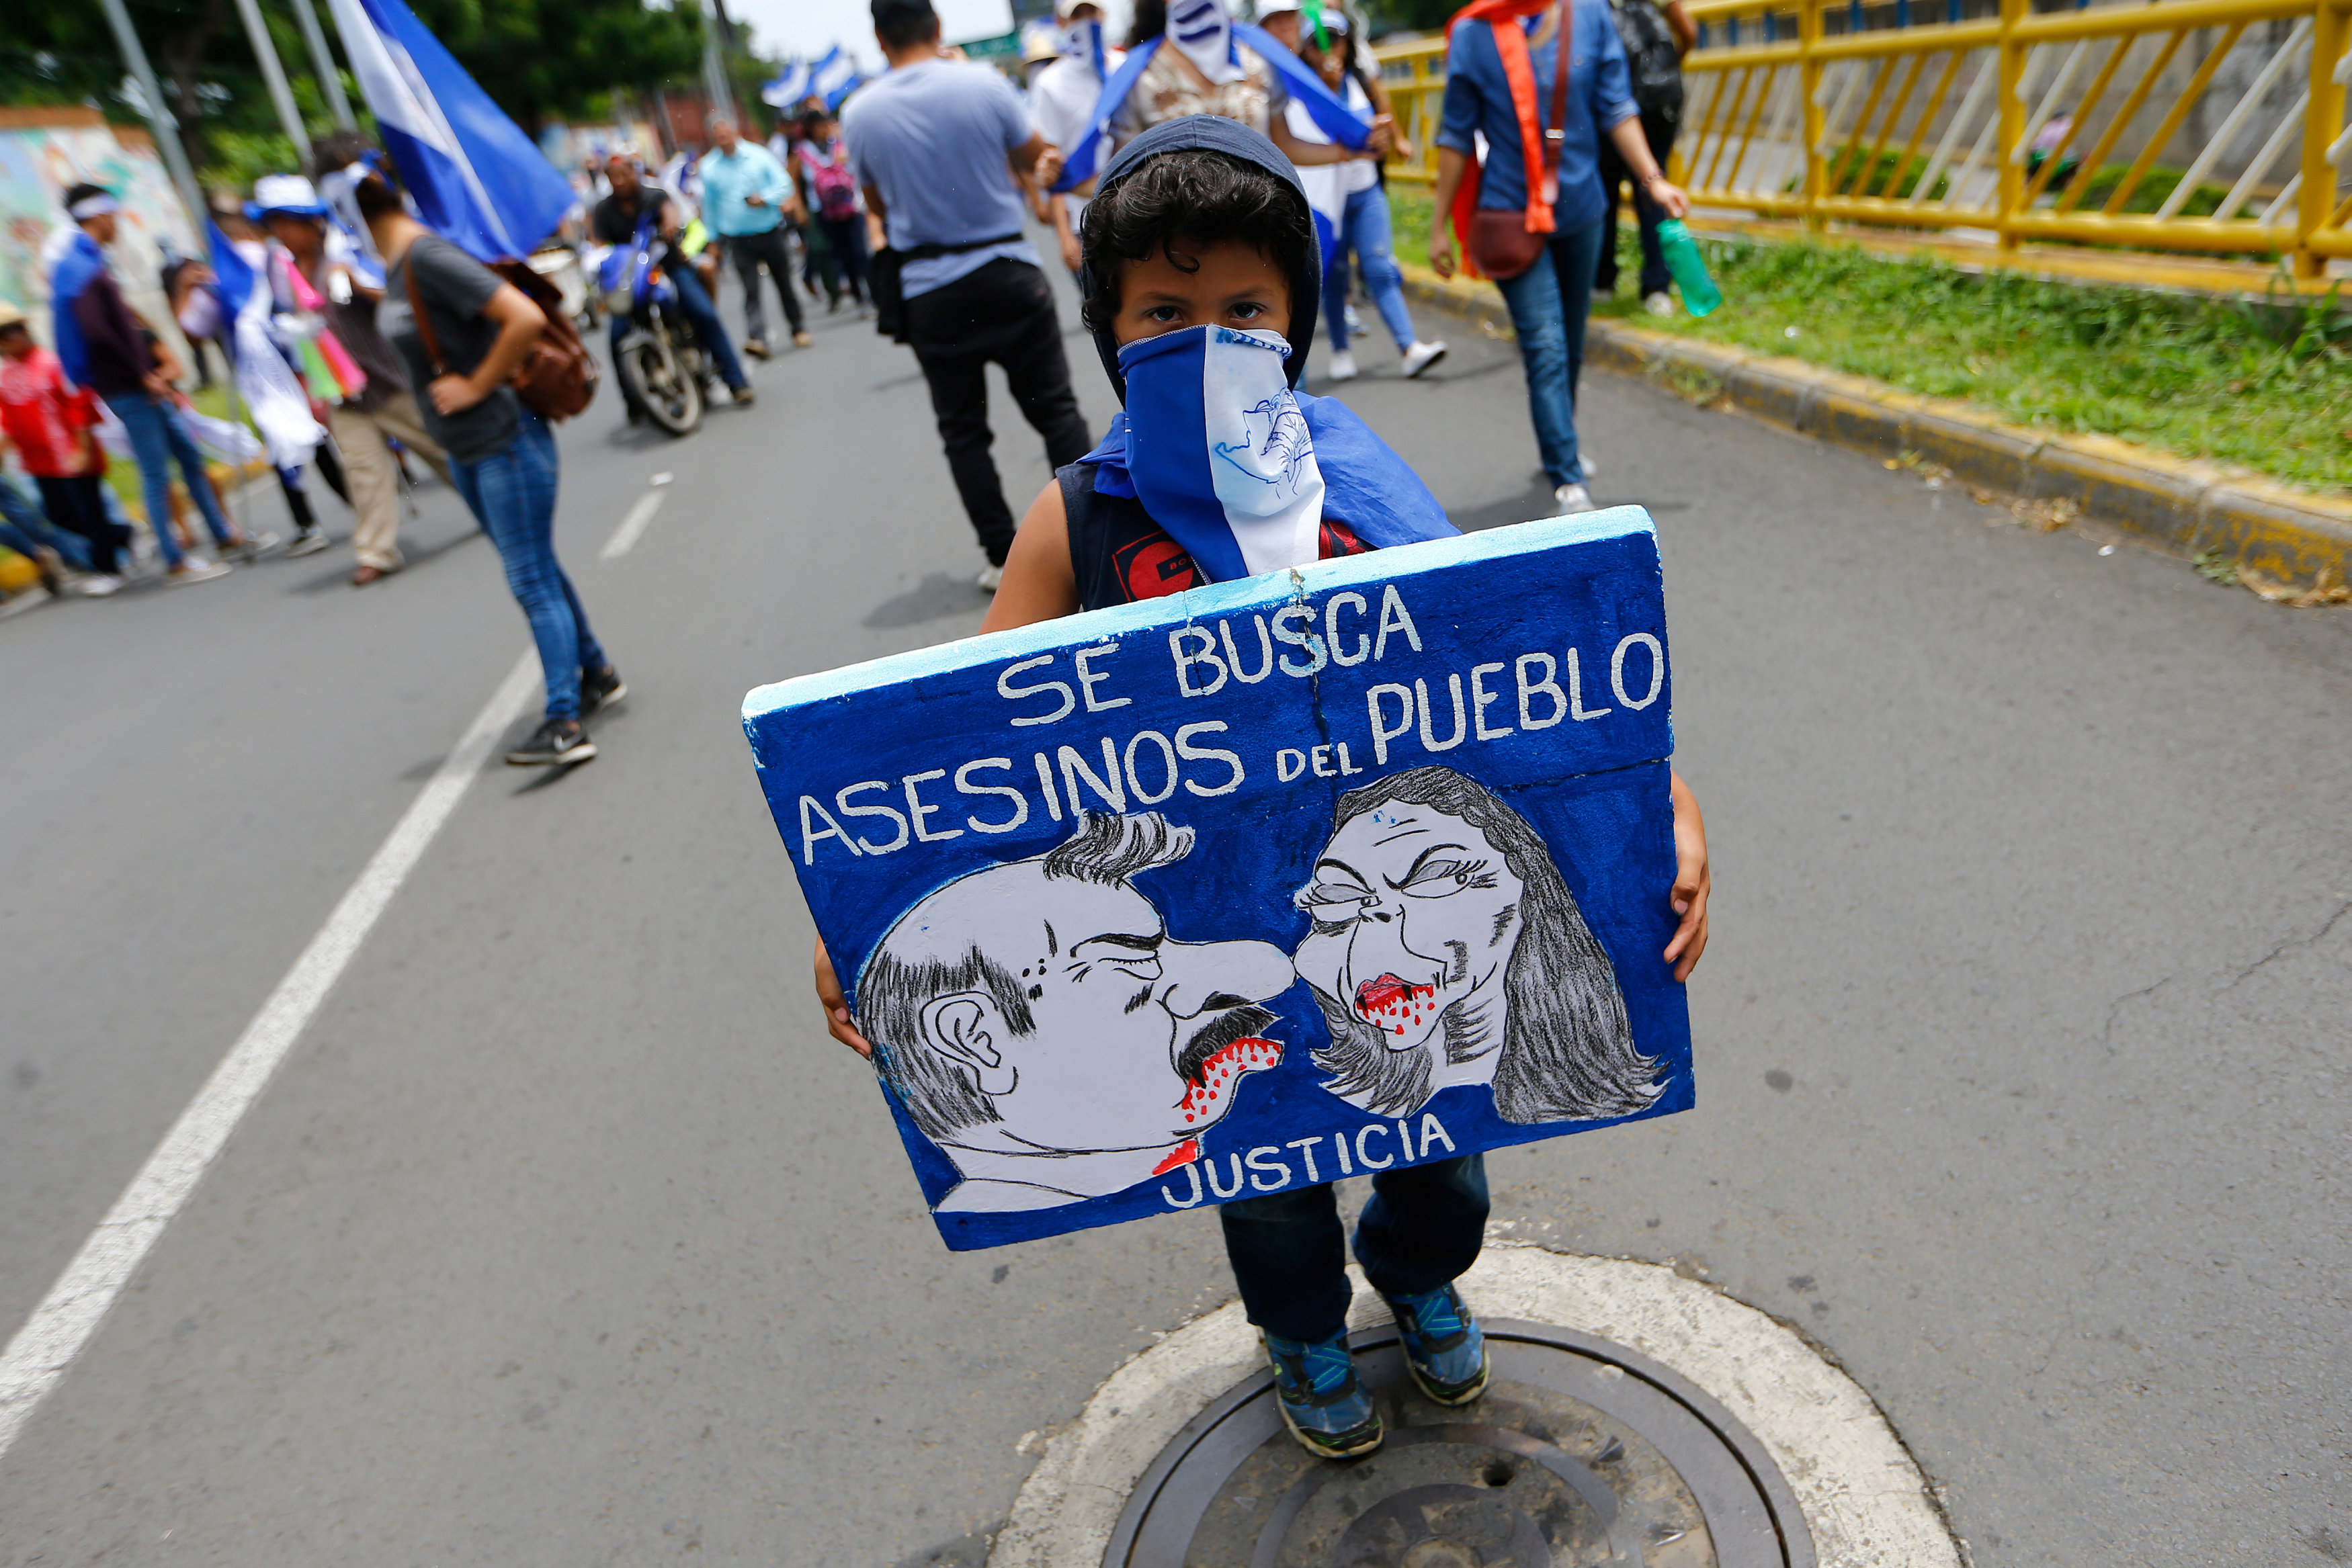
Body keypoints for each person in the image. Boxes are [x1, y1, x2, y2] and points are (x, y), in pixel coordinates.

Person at [814, 118, 1713, 1462]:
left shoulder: (1357, 481)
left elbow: (1523, 665)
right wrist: (861, 914)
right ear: (1107, 328)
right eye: (1163, 311)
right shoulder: (1080, 517)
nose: (1203, 336)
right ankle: (1297, 1329)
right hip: (1211, 938)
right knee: (1270, 1180)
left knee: (1434, 1154)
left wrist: (1666, 806)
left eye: (1242, 307)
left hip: (1392, 933)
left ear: (1293, 318)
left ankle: (1419, 1277)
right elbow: (967, 749)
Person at [358, 160, 625, 767]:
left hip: (506, 436)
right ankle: (597, 673)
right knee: (534, 564)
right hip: (471, 448)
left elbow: (523, 318)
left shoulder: (426, 258)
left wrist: (477, 385)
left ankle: (564, 720)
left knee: (529, 577)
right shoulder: (396, 268)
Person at [843, 0, 1094, 591]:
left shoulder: (859, 113)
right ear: (938, 27)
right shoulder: (984, 84)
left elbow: (876, 205)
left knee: (963, 431)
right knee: (1055, 410)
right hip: (1009, 269)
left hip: (931, 290)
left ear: (880, 39)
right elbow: (1039, 160)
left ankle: (1003, 555)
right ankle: (1088, 534)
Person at [1428, 0, 1689, 514]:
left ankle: (1558, 443)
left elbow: (1617, 106)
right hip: (1510, 213)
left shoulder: (1589, 14)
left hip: (1582, 211)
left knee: (1570, 342)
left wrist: (1654, 182)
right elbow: (1456, 133)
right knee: (1545, 345)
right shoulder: (1474, 32)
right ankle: (1568, 477)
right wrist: (1439, 227)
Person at [52, 183, 265, 584]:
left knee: (187, 455)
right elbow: (97, 333)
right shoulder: (79, 267)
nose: (116, 222)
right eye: (112, 215)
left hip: (136, 385)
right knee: (155, 472)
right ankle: (175, 561)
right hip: (128, 388)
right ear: (99, 216)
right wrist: (142, 373)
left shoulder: (84, 261)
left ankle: (224, 536)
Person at [264, 150, 458, 586]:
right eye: (274, 225)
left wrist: (355, 284)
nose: (281, 233)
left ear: (311, 222)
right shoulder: (285, 272)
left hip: (387, 379)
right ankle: (376, 551)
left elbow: (394, 297)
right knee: (363, 470)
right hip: (340, 391)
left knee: (441, 450)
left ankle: (492, 501)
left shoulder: (348, 250)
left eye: (287, 223)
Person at [1280, 6, 1449, 382]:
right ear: (1305, 50)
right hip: (1325, 199)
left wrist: (1391, 137)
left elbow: (1376, 122)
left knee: (1378, 266)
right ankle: (1340, 350)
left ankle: (1409, 348)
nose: (1330, 49)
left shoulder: (1356, 78)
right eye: (1318, 42)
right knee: (1336, 274)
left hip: (1365, 190)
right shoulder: (1297, 93)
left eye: (1338, 39)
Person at [1107, 0, 1393, 172]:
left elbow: (1283, 146)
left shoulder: (1257, 57)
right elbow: (1122, 169)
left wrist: (1357, 148)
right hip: (1175, 240)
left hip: (1260, 226)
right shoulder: (1138, 76)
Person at [591, 153, 755, 416]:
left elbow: (671, 214)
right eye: (614, 177)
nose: (620, 181)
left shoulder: (654, 196)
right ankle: (633, 402)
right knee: (617, 335)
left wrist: (669, 227)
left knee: (703, 313)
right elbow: (598, 245)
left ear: (635, 173)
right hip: (631, 281)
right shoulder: (603, 210)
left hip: (669, 268)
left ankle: (736, 381)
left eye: (625, 174)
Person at [0, 302, 125, 595]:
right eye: (3, 335)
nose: (11, 339)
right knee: (60, 517)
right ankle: (125, 534)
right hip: (40, 461)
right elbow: (7, 419)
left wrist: (82, 449)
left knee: (89, 513)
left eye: (14, 331)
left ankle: (108, 570)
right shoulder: (5, 376)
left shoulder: (52, 364)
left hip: (71, 454)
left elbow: (78, 405)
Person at [1594, 0, 1694, 313]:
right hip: (1659, 104)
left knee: (1605, 193)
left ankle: (1602, 282)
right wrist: (1665, 68)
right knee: (1653, 192)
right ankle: (1656, 288)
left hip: (1614, 104)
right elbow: (1688, 31)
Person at [1026, 0, 1126, 278]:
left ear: (1103, 15)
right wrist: (1063, 234)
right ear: (1061, 23)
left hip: (1140, 209)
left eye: (1090, 12)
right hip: (1086, 220)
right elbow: (1054, 163)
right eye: (1076, 15)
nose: (1085, 21)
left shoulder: (1127, 68)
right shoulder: (1050, 84)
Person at [700, 117, 812, 359]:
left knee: (783, 282)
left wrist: (765, 198)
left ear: (735, 132)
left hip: (769, 230)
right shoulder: (709, 167)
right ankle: (757, 337)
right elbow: (709, 206)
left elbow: (785, 186)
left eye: (726, 135)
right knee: (751, 289)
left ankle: (798, 327)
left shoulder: (758, 156)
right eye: (718, 137)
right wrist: (713, 239)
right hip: (738, 238)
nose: (723, 140)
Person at [795, 111, 870, 309]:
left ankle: (873, 294)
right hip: (824, 210)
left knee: (859, 251)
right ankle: (857, 295)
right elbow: (794, 180)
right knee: (841, 253)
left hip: (850, 205)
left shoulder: (839, 143)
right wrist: (800, 209)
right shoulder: (803, 150)